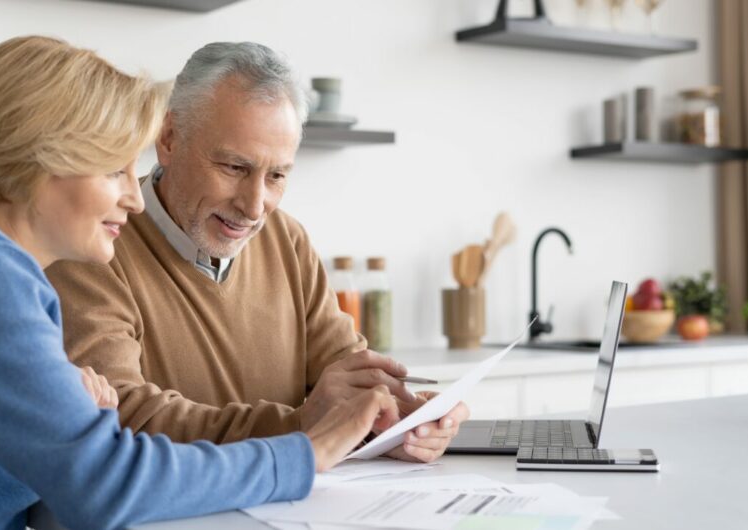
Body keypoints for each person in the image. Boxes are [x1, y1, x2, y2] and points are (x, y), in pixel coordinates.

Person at [0, 36, 400, 530]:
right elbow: (106, 483)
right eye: (113, 170)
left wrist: (81, 421)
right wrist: (305, 453)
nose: (135, 196)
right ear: (41, 165)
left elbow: (68, 472)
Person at [46, 42, 468, 462]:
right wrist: (301, 427)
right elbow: (124, 415)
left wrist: (402, 419)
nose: (254, 206)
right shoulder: (92, 244)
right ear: (169, 139)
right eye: (234, 168)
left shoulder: (287, 239)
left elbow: (347, 372)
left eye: (277, 175)